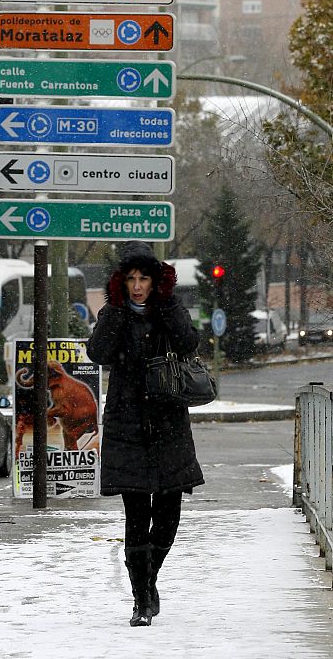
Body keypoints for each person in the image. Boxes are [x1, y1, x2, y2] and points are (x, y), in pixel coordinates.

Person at [87, 241, 204, 627]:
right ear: (123, 282)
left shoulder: (169, 310)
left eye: (145, 279)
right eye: (131, 279)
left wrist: (168, 304)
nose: (138, 286)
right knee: (136, 516)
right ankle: (141, 599)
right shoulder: (114, 313)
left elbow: (189, 343)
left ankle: (148, 579)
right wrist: (117, 311)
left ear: (157, 281)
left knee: (168, 516)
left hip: (169, 424)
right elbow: (98, 353)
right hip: (127, 427)